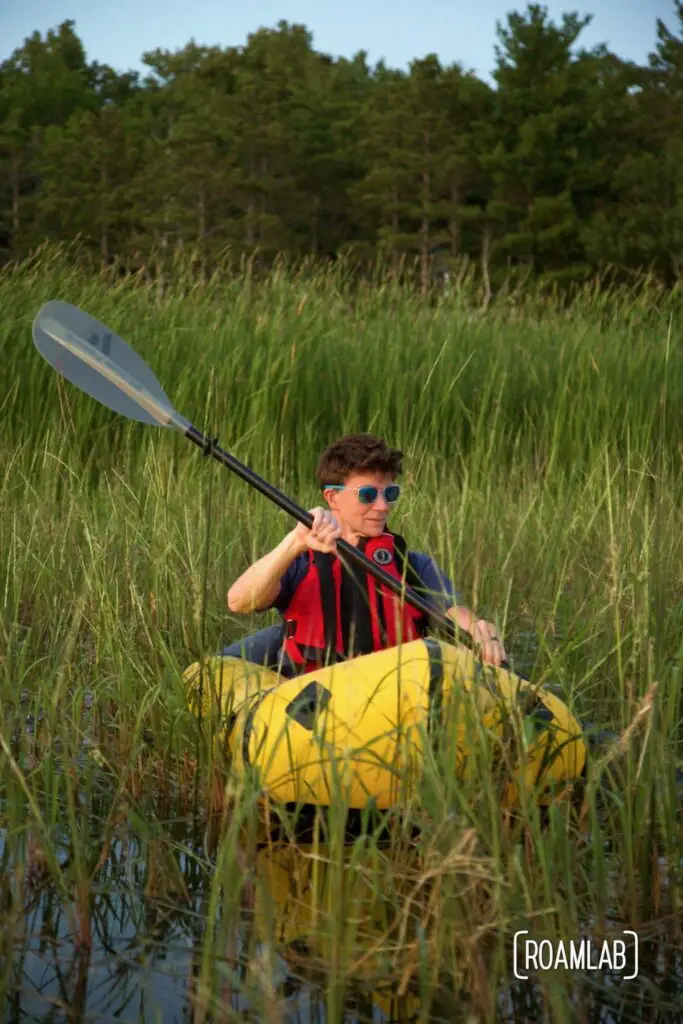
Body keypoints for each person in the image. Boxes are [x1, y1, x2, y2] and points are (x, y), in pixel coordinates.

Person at [224, 434, 506, 675]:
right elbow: (239, 600)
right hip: (316, 698)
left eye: (391, 493)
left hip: (399, 695)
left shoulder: (412, 564)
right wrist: (295, 542)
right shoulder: (299, 560)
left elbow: (455, 613)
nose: (383, 506)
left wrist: (480, 630)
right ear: (332, 497)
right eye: (368, 494)